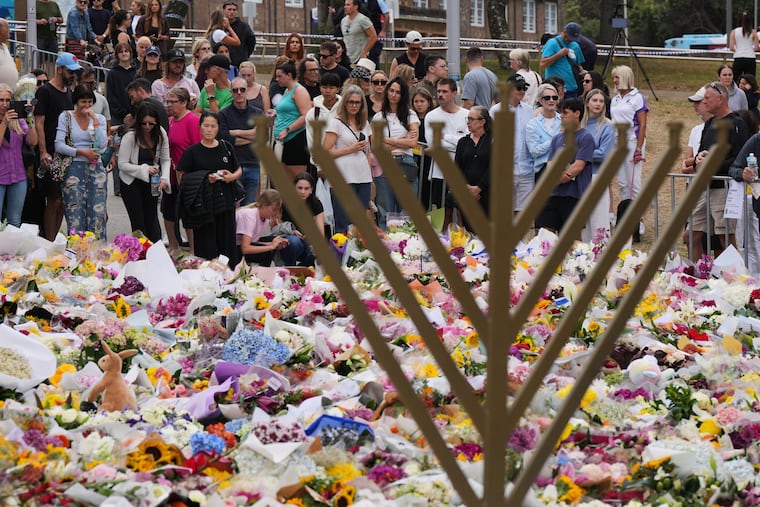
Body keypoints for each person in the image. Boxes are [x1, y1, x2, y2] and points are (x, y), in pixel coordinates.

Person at [176, 111, 242, 266]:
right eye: (206, 125)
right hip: (204, 205)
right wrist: (204, 179)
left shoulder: (226, 147)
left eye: (213, 126)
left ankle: (228, 275)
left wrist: (230, 177)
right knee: (206, 243)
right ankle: (205, 275)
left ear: (218, 128)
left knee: (226, 242)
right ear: (200, 127)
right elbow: (181, 175)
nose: (209, 129)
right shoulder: (192, 152)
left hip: (225, 202)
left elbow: (238, 169)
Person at [692, 81, 750, 255]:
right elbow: (700, 152)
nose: (704, 102)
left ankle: (737, 277)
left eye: (708, 98)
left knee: (725, 236)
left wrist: (713, 164)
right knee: (691, 235)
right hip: (704, 187)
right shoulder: (709, 124)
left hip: (723, 188)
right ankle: (693, 277)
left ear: (721, 98)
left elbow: (741, 158)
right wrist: (698, 159)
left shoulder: (737, 124)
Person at [55, 84, 108, 239]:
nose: (86, 106)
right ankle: (76, 250)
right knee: (74, 212)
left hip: (95, 166)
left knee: (97, 211)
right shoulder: (65, 117)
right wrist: (80, 152)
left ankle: (98, 251)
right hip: (74, 166)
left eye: (89, 102)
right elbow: (59, 144)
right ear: (76, 101)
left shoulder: (100, 118)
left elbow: (103, 143)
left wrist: (95, 120)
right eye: (83, 102)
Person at [35, 53, 78, 240]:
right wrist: (43, 151)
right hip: (51, 153)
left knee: (63, 201)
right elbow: (39, 122)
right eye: (70, 71)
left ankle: (53, 240)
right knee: (54, 199)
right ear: (59, 69)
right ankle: (49, 241)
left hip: (66, 153)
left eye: (74, 72)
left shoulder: (68, 91)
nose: (72, 75)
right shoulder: (45, 91)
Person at [535, 98, 595, 234]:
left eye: (565, 113)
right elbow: (550, 163)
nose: (561, 116)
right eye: (561, 113)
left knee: (570, 238)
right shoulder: (557, 138)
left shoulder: (586, 138)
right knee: (545, 235)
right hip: (552, 195)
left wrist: (558, 179)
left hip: (574, 195)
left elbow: (578, 166)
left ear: (577, 114)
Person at [117, 102, 169, 242]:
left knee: (152, 218)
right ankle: (140, 253)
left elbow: (165, 159)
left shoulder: (161, 134)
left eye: (151, 124)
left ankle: (155, 251)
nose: (147, 127)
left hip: (151, 182)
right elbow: (122, 164)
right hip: (130, 182)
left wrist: (164, 178)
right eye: (144, 123)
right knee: (138, 221)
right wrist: (144, 169)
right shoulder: (130, 136)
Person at [323, 84, 372, 233]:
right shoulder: (336, 123)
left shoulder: (364, 124)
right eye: (351, 102)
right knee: (342, 221)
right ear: (344, 103)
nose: (354, 105)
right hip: (343, 176)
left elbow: (368, 152)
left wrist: (370, 175)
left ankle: (357, 254)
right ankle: (339, 254)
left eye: (357, 102)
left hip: (363, 177)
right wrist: (349, 149)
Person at [371, 76, 419, 228]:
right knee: (385, 208)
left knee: (407, 210)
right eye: (391, 90)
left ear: (403, 95)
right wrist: (401, 140)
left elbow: (412, 143)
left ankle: (406, 247)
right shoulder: (378, 117)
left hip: (405, 162)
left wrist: (389, 140)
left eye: (398, 92)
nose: (393, 94)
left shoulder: (410, 115)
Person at [610, 64, 648, 238]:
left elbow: (642, 124)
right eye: (614, 77)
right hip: (617, 143)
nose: (614, 80)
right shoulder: (616, 98)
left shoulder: (637, 97)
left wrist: (639, 148)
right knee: (623, 183)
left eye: (617, 77)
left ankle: (637, 222)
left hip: (633, 142)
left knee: (634, 183)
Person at [442, 105, 492, 232]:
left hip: (488, 194)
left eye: (471, 119)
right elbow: (458, 168)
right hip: (467, 194)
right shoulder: (463, 142)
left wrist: (479, 188)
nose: (468, 122)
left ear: (482, 121)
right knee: (469, 230)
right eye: (467, 119)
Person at [490, 75, 534, 215]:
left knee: (522, 212)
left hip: (526, 169)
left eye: (524, 88)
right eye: (519, 88)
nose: (522, 91)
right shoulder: (495, 111)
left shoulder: (529, 110)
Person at [424, 77, 469, 209]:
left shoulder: (467, 115)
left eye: (444, 91)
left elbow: (468, 143)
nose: (440, 95)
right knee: (442, 211)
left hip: (462, 171)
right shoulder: (431, 116)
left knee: (463, 211)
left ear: (455, 94)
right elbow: (434, 145)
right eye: (439, 91)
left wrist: (445, 137)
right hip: (440, 172)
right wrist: (458, 142)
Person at [236, 189, 312, 266]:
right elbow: (245, 248)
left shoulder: (265, 219)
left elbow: (254, 242)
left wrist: (273, 244)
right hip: (230, 248)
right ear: (264, 205)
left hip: (240, 246)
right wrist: (271, 247)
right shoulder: (250, 216)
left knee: (275, 241)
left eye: (277, 210)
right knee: (267, 251)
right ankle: (262, 272)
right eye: (274, 210)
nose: (275, 213)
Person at [219, 77, 264, 205]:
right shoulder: (223, 114)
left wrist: (235, 132)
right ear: (231, 92)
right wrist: (252, 136)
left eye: (242, 89)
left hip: (253, 164)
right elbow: (225, 140)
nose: (239, 92)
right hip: (232, 167)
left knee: (249, 208)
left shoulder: (258, 113)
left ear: (247, 91)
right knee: (232, 209)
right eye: (235, 90)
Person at [165, 86, 199, 252]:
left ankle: (194, 249)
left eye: (172, 102)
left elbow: (198, 149)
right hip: (170, 174)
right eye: (167, 101)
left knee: (188, 214)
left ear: (184, 102)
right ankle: (173, 245)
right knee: (168, 210)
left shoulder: (192, 120)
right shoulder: (170, 120)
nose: (168, 105)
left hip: (187, 176)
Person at [0, 83, 37, 227]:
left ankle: (11, 250)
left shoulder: (19, 120)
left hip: (18, 175)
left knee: (15, 220)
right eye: (1, 100)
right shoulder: (6, 120)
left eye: (7, 100)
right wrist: (4, 123)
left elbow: (33, 141)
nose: (4, 104)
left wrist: (29, 117)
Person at [581, 89, 615, 242]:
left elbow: (603, 154)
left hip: (597, 176)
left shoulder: (607, 126)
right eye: (594, 100)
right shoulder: (580, 124)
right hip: (580, 177)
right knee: (583, 220)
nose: (598, 104)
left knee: (599, 220)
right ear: (587, 103)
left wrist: (580, 153)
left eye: (601, 101)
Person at [273, 59, 311, 180]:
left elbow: (305, 116)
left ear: (289, 75)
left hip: (295, 139)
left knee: (297, 178)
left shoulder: (299, 90)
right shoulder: (286, 90)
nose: (277, 79)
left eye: (280, 76)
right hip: (282, 141)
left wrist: (287, 130)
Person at [305, 71, 342, 179]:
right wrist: (320, 167)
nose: (328, 91)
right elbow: (312, 142)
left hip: (342, 164)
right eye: (324, 87)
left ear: (338, 89)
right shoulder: (313, 113)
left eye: (332, 87)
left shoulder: (344, 112)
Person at [525, 83, 562, 177]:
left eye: (554, 97)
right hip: (541, 171)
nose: (551, 100)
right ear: (540, 100)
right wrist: (555, 140)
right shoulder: (532, 124)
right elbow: (534, 151)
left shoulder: (564, 121)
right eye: (547, 98)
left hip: (562, 169)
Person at [540, 22, 584, 98]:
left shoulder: (575, 45)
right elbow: (543, 63)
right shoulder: (552, 43)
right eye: (570, 37)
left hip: (572, 87)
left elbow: (578, 64)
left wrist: (582, 71)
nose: (571, 40)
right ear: (565, 32)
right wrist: (559, 55)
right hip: (554, 88)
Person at [282, 171, 325, 239]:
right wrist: (292, 231)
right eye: (300, 188)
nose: (303, 192)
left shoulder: (316, 203)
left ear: (311, 190)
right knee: (294, 241)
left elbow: (320, 231)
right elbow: (276, 226)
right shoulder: (285, 203)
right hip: (288, 237)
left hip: (307, 238)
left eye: (306, 188)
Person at [412, 86, 434, 209]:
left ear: (428, 102)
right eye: (416, 101)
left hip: (429, 161)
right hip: (415, 159)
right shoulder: (411, 120)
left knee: (426, 192)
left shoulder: (432, 118)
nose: (419, 105)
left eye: (422, 101)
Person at [222, 0, 256, 68]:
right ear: (224, 10)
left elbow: (251, 42)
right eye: (229, 9)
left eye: (234, 10)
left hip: (239, 63)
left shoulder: (244, 26)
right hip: (223, 62)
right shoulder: (220, 26)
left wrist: (244, 55)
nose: (232, 12)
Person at [341, 0, 377, 65]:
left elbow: (373, 36)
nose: (345, 7)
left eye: (348, 5)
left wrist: (365, 52)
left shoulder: (363, 19)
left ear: (356, 7)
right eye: (345, 5)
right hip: (346, 57)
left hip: (359, 58)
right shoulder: (343, 20)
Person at [35, 0, 64, 75]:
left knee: (52, 61)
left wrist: (56, 19)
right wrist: (39, 21)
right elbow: (28, 19)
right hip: (39, 37)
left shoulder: (54, 4)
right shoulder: (35, 4)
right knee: (38, 61)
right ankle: (38, 79)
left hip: (52, 37)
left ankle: (49, 81)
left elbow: (61, 19)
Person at [730, 11, 759, 81]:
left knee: (736, 79)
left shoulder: (734, 31)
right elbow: (756, 48)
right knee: (750, 80)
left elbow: (731, 47)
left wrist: (738, 50)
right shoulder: (753, 32)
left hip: (738, 57)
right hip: (750, 58)